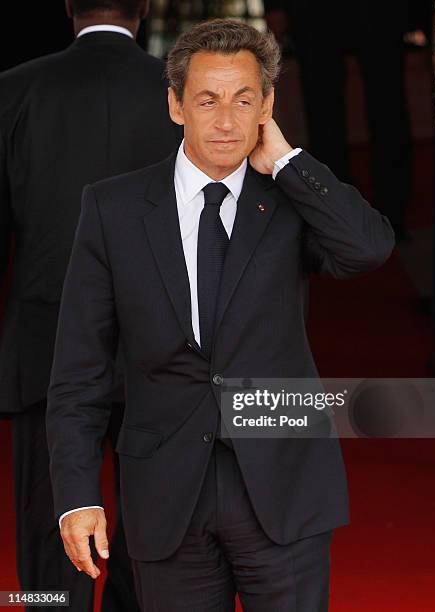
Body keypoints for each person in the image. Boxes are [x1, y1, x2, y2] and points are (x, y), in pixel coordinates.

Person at [47, 18, 395, 611]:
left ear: (267, 105)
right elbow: (81, 368)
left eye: (244, 100)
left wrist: (286, 159)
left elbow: (369, 248)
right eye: (208, 101)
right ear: (176, 105)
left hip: (282, 485)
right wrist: (78, 495)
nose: (228, 122)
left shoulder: (291, 200)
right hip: (165, 494)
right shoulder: (112, 208)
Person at [0, 1, 181, 610]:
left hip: (44, 338)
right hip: (161, 341)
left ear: (68, 6)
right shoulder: (182, 93)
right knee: (152, 517)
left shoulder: (14, 89)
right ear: (147, 7)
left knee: (48, 519)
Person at [264, 0, 415, 241]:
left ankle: (392, 213)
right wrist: (274, 5)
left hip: (381, 10)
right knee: (322, 111)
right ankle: (332, 215)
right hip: (315, 10)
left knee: (388, 106)